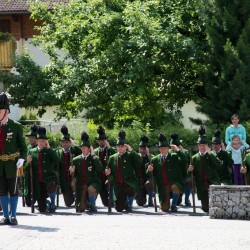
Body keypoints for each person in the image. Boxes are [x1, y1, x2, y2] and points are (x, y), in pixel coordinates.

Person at [0, 93, 27, 225]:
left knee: (14, 190)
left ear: (6, 111)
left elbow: (23, 147)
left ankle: (14, 216)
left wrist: (22, 159)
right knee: (2, 191)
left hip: (12, 164)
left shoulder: (15, 126)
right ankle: (5, 216)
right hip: (0, 165)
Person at [147, 133, 186, 212]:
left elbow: (185, 160)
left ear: (168, 148)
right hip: (162, 186)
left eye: (165, 148)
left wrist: (178, 150)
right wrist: (149, 169)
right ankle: (165, 203)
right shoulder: (154, 159)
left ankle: (174, 204)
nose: (163, 150)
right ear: (159, 149)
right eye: (161, 148)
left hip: (173, 183)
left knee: (176, 187)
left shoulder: (174, 156)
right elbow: (149, 173)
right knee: (164, 209)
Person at [105, 130, 141, 212]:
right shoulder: (112, 157)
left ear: (126, 147)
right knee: (119, 209)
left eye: (122, 146)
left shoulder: (130, 155)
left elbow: (139, 160)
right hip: (118, 184)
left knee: (130, 189)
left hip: (129, 182)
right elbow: (108, 169)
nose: (120, 148)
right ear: (116, 147)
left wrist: (131, 150)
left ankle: (129, 203)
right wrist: (107, 171)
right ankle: (124, 203)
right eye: (118, 146)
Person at [25, 127, 60, 213]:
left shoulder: (49, 151)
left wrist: (49, 148)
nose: (41, 143)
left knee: (51, 184)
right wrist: (28, 162)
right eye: (40, 141)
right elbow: (26, 168)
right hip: (37, 182)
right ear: (37, 141)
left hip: (47, 180)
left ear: (46, 142)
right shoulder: (31, 151)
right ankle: (47, 204)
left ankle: (52, 203)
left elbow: (57, 160)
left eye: (43, 141)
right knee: (42, 209)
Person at [188, 126, 221, 213]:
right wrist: (190, 170)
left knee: (214, 207)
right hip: (201, 184)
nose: (203, 147)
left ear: (207, 146)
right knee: (206, 209)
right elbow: (189, 173)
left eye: (204, 145)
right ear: (198, 146)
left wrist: (210, 154)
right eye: (201, 145)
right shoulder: (194, 158)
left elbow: (218, 165)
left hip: (211, 182)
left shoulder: (211, 155)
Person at [69, 132, 101, 213]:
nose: (83, 149)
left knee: (91, 189)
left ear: (89, 148)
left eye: (85, 148)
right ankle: (86, 202)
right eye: (82, 148)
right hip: (81, 185)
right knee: (81, 209)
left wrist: (93, 155)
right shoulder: (76, 159)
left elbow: (99, 169)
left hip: (92, 183)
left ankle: (92, 205)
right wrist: (71, 172)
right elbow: (73, 175)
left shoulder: (94, 158)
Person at [57, 125, 82, 207]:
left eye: (67, 142)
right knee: (68, 203)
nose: (65, 144)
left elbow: (83, 154)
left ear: (70, 142)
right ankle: (71, 198)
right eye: (63, 142)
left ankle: (80, 197)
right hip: (64, 179)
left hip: (75, 178)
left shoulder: (76, 150)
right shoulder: (58, 152)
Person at [94, 126, 116, 207]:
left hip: (109, 176)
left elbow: (116, 157)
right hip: (100, 177)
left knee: (110, 182)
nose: (101, 142)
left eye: (103, 140)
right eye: (100, 140)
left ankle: (113, 198)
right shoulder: (95, 152)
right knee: (106, 203)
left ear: (106, 141)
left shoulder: (111, 150)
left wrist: (109, 148)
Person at [170, 132, 191, 206]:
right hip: (174, 178)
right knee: (178, 201)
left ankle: (187, 199)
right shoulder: (169, 153)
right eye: (171, 147)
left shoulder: (185, 152)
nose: (173, 148)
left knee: (189, 181)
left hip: (184, 175)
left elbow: (188, 161)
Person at [135, 135, 154, 207]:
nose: (142, 150)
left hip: (148, 181)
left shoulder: (151, 157)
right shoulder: (136, 157)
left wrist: (148, 155)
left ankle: (150, 199)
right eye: (141, 149)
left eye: (144, 149)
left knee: (150, 182)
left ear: (147, 149)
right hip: (139, 182)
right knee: (140, 203)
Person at [24, 125, 38, 207]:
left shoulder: (40, 147)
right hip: (27, 173)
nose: (30, 139)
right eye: (29, 137)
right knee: (28, 203)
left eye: (33, 137)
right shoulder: (27, 148)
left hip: (37, 173)